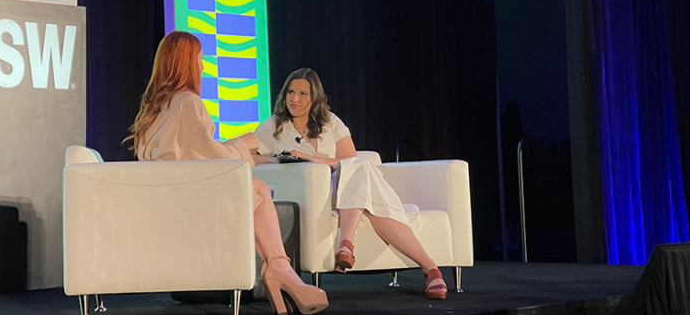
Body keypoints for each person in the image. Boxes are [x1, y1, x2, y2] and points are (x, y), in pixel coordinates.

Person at [125, 32, 328, 315]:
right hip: (186, 200)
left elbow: (189, 155)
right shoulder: (187, 101)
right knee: (255, 188)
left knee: (253, 189)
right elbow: (213, 157)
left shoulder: (153, 108)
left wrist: (238, 148)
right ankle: (280, 270)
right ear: (187, 63)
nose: (203, 66)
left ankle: (278, 268)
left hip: (168, 198)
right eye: (200, 59)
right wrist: (242, 145)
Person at [255, 68, 448, 300]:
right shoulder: (274, 126)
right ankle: (429, 268)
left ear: (315, 97)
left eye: (303, 93)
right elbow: (250, 156)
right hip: (315, 194)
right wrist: (277, 158)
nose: (294, 99)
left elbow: (350, 160)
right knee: (365, 184)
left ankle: (348, 246)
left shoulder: (329, 121)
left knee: (358, 171)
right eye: (290, 92)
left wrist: (313, 159)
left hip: (345, 185)